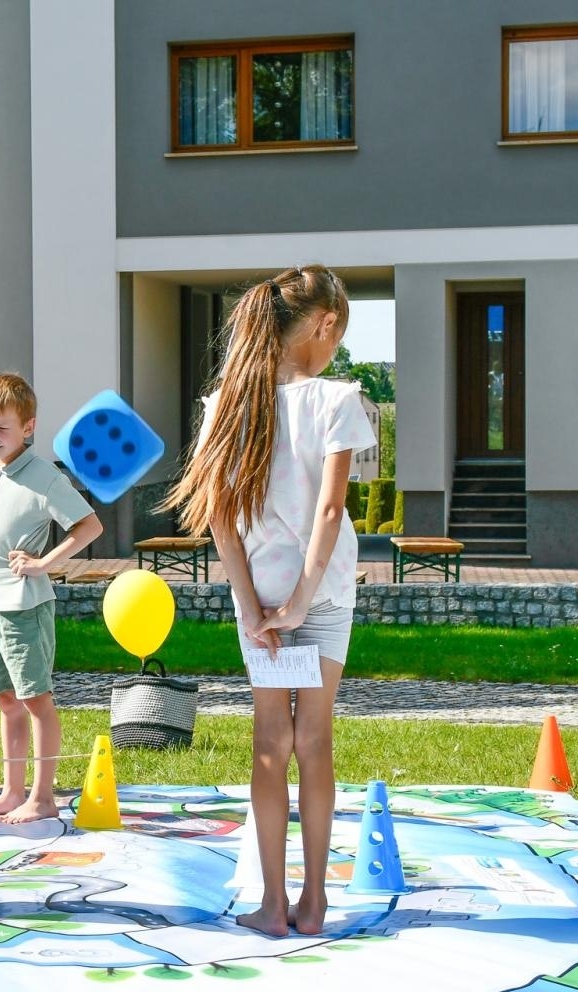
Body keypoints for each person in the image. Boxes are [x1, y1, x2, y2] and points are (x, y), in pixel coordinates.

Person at [161, 265, 375, 937]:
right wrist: (304, 598)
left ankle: (273, 908)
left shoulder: (226, 401)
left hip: (261, 598)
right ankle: (315, 904)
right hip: (325, 594)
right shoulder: (337, 400)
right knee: (315, 742)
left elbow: (218, 515)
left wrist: (252, 605)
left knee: (268, 743)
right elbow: (333, 508)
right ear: (325, 325)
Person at [0, 373, 102, 823]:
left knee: (35, 699)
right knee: (6, 699)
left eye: (2, 428)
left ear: (28, 428)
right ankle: (12, 789)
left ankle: (43, 797)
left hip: (25, 605)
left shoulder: (44, 475)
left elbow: (89, 526)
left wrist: (45, 563)